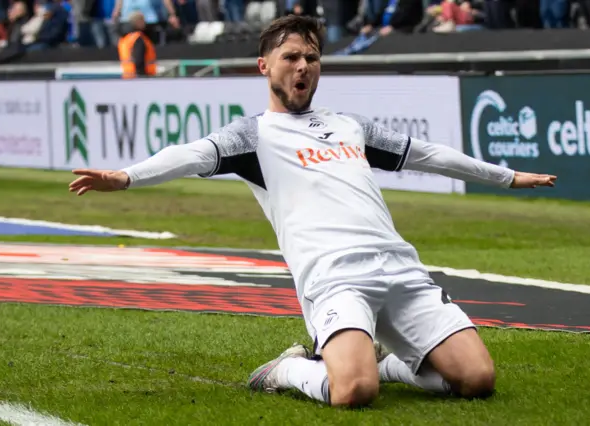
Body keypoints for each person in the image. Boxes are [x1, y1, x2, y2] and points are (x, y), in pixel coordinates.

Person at [68, 15, 557, 408]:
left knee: (477, 379)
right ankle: (284, 370)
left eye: (312, 57)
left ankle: (387, 363)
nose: (303, 66)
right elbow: (191, 154)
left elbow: (427, 154)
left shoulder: (349, 126)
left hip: (401, 269)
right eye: (291, 57)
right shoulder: (253, 136)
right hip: (335, 279)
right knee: (353, 393)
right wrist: (125, 176)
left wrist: (506, 176)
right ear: (264, 66)